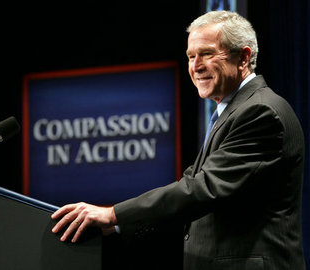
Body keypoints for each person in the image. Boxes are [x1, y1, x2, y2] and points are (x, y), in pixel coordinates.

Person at [51, 10, 306, 269]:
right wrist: (115, 227)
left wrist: (113, 215)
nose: (196, 66)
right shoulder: (233, 111)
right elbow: (192, 189)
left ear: (243, 57)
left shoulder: (260, 112)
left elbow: (202, 189)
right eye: (191, 56)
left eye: (206, 53)